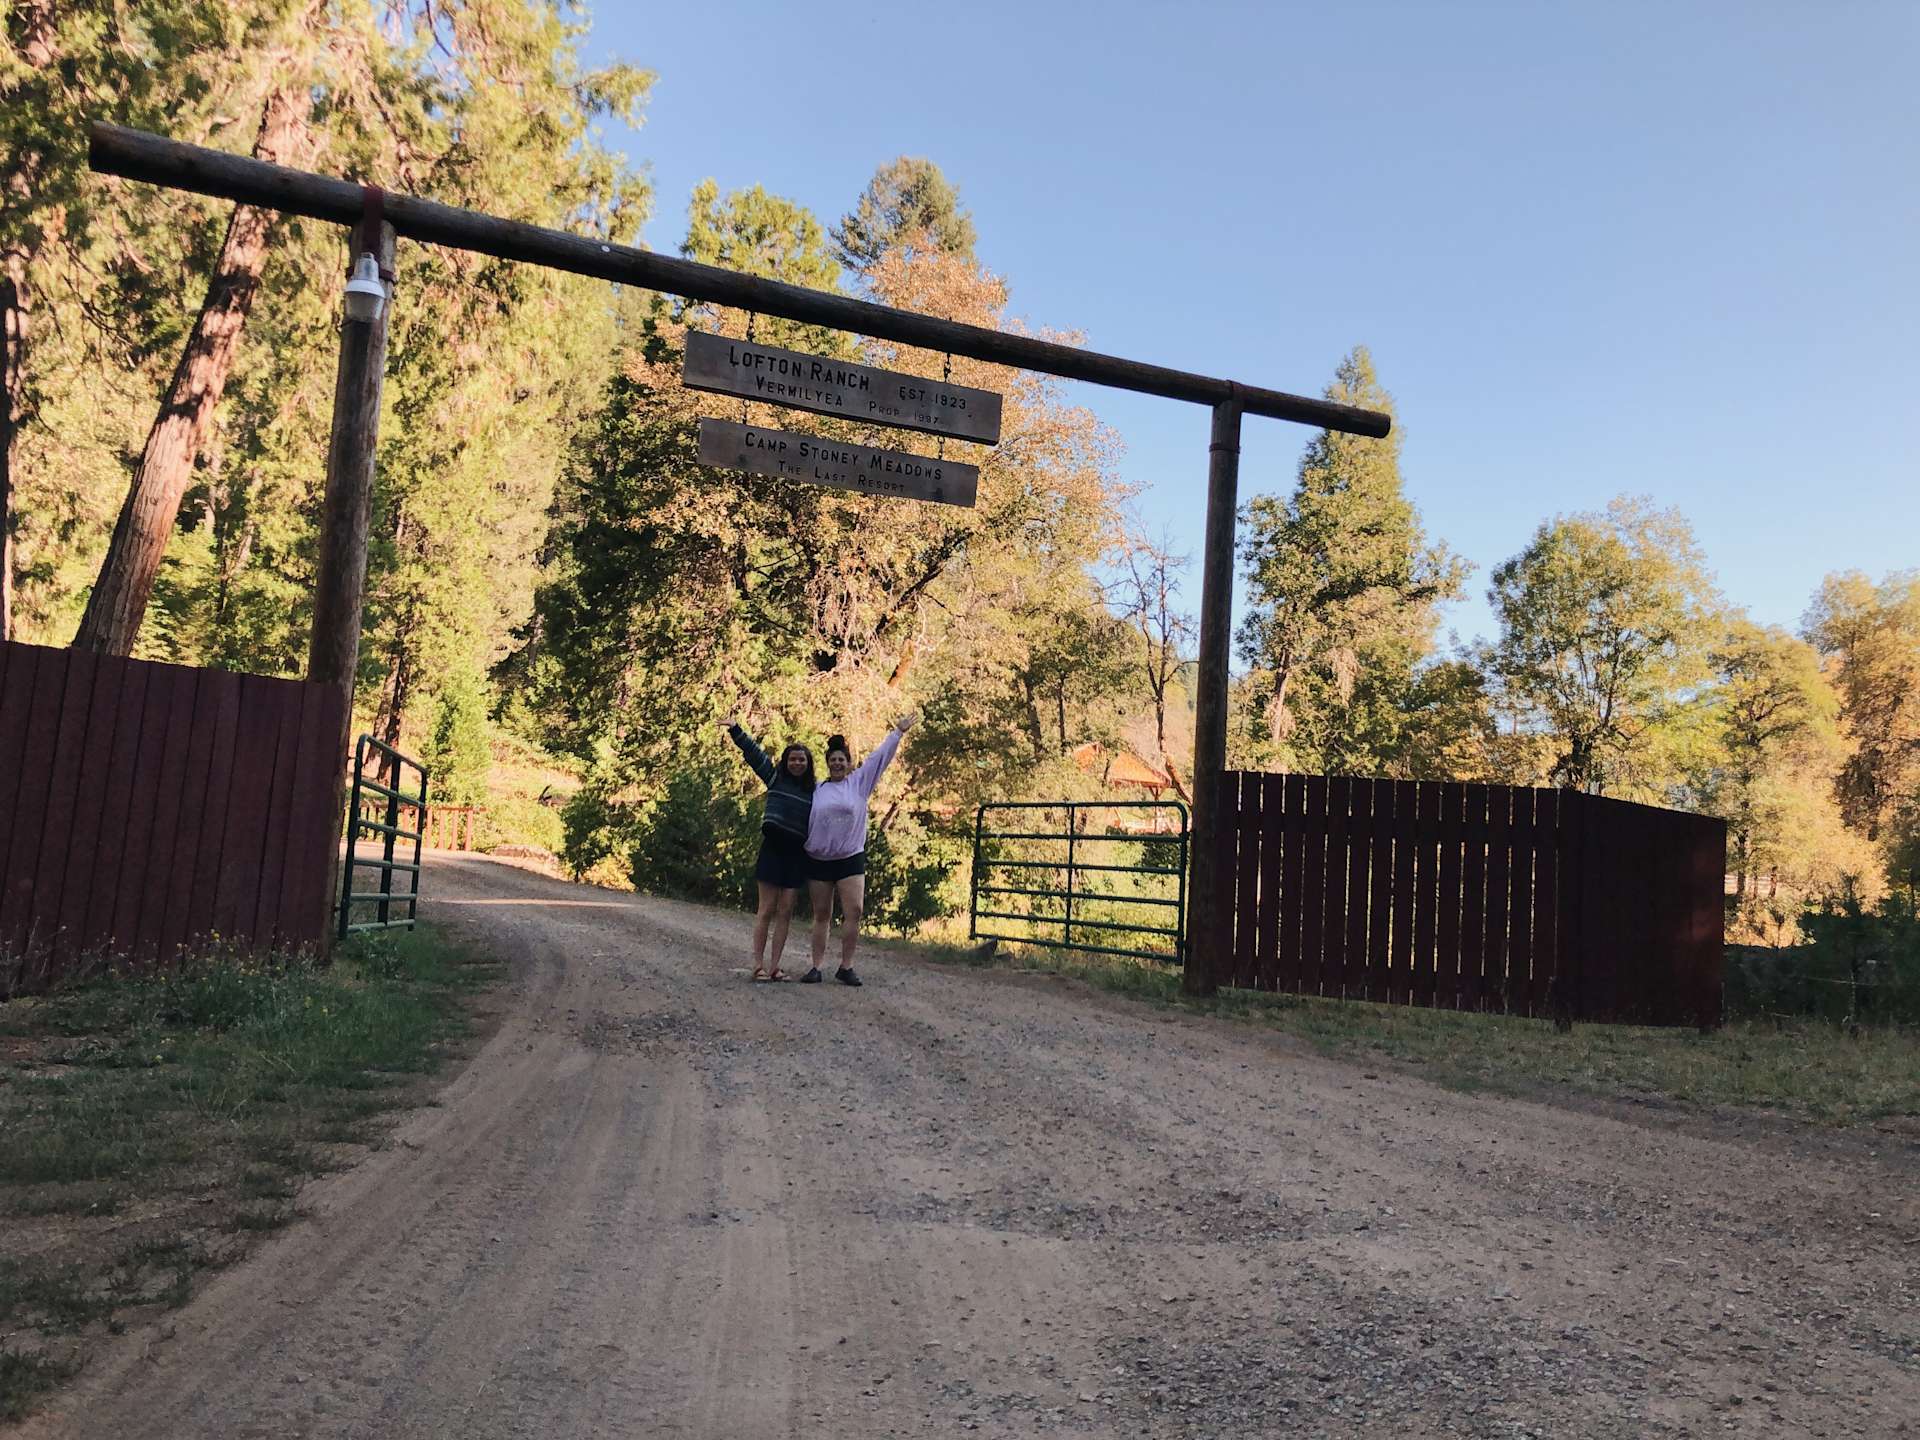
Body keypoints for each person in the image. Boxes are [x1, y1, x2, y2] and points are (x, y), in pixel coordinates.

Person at [801, 713, 915, 986]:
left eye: (842, 760)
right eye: (833, 760)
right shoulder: (816, 790)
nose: (837, 763)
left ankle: (846, 966)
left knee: (855, 910)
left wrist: (898, 732)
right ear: (827, 764)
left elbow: (879, 758)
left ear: (849, 764)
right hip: (819, 859)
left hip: (850, 857)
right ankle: (816, 967)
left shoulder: (859, 784)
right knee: (822, 915)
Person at [723, 718, 815, 981]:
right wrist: (735, 730)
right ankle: (757, 964)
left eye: (802, 760)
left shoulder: (814, 792)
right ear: (786, 762)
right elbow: (754, 755)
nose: (797, 763)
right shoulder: (775, 780)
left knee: (785, 910)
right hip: (773, 849)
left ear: (808, 765)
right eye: (793, 759)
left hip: (797, 855)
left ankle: (775, 966)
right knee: (766, 909)